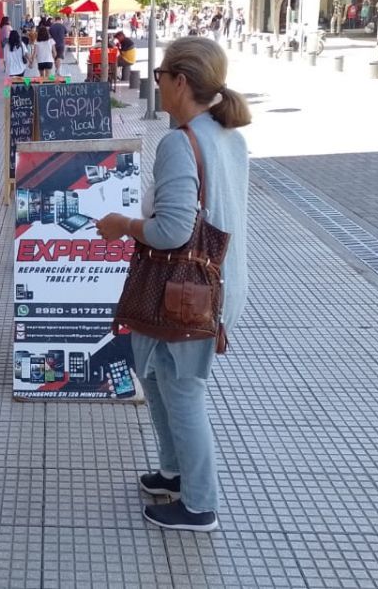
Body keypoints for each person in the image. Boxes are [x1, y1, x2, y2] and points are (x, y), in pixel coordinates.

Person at [95, 37, 250, 532]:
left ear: (181, 81)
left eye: (161, 75)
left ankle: (199, 505)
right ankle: (173, 473)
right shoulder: (227, 135)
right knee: (161, 379)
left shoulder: (180, 143)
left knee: (182, 392)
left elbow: (173, 231)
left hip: (186, 294)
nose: (157, 82)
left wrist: (123, 225)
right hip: (214, 286)